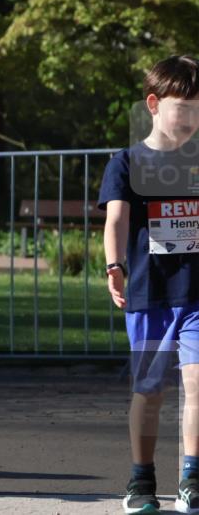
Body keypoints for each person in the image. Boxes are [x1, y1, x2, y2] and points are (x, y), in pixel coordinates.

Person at [99, 55, 199, 515]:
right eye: (185, 107)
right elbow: (116, 218)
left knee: (197, 381)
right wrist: (113, 264)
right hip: (150, 294)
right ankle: (141, 480)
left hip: (196, 293)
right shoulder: (127, 162)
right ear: (154, 104)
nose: (193, 118)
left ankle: (191, 477)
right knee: (150, 390)